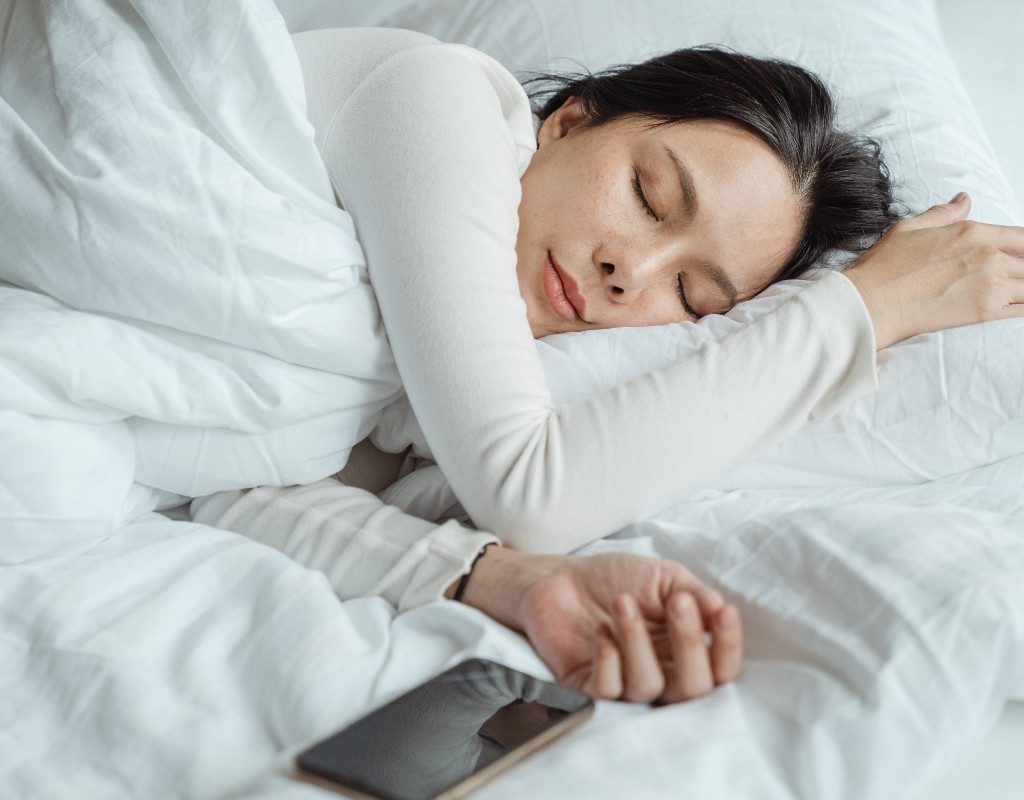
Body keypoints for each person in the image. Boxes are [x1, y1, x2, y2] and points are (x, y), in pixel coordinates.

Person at [191, 28, 1024, 706]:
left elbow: (228, 488)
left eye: (692, 296)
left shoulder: (399, 377)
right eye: (648, 196)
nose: (634, 270)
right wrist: (866, 310)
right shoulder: (433, 98)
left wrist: (512, 585)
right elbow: (534, 492)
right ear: (568, 122)